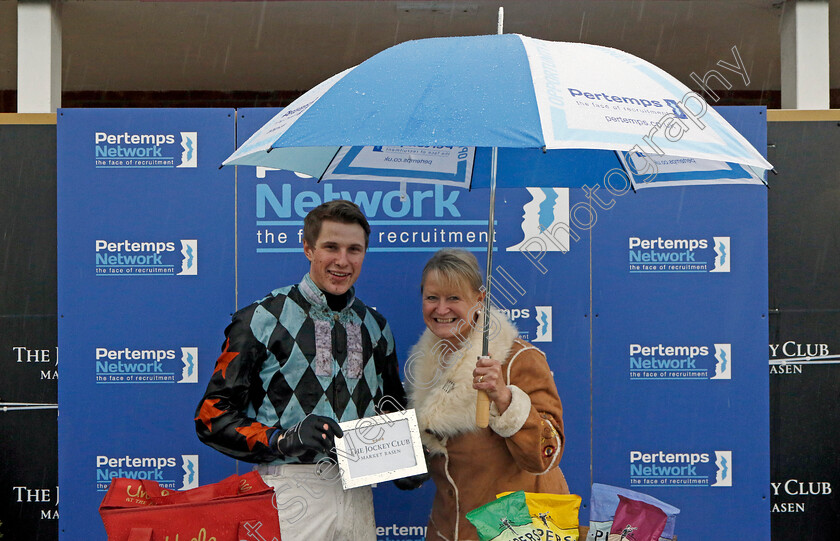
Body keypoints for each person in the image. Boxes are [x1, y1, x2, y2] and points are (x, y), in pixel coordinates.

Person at [195, 199, 406, 540]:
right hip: (287, 492)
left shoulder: (376, 327)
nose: (342, 261)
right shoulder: (261, 318)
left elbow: (393, 408)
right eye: (330, 247)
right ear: (307, 248)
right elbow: (210, 416)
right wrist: (282, 439)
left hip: (358, 494)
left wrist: (407, 461)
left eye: (355, 249)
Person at [401, 248, 568, 541]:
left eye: (454, 298)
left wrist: (504, 399)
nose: (441, 309)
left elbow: (547, 455)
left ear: (479, 299)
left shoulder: (518, 358)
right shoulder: (423, 368)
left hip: (516, 532)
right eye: (432, 298)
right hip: (448, 529)